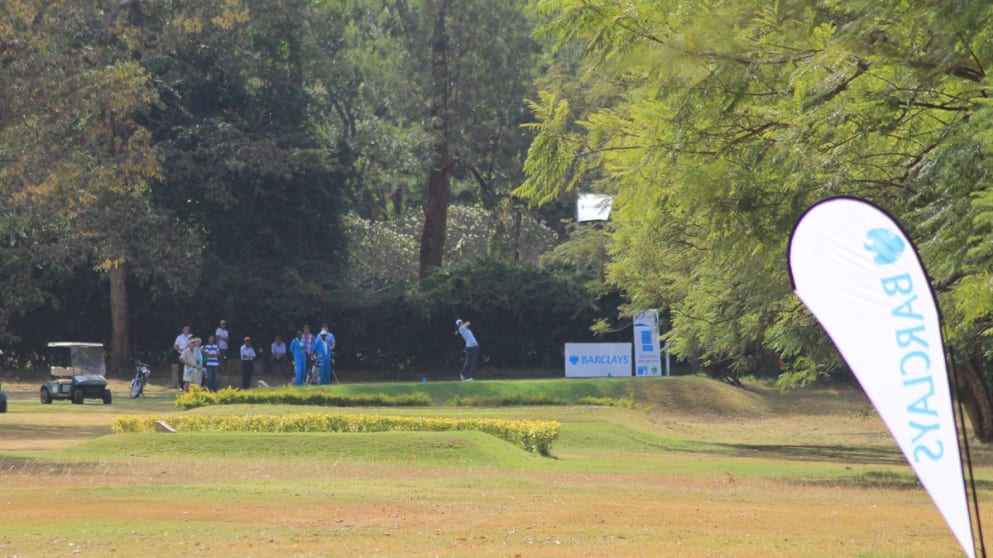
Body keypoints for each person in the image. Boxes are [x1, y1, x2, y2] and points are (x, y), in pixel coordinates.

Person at [173, 325, 192, 391]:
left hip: (189, 355)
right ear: (183, 330)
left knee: (189, 370)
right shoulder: (179, 337)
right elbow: (175, 346)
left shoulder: (191, 336)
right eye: (185, 329)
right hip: (181, 354)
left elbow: (192, 345)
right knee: (181, 371)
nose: (186, 331)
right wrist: (181, 350)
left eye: (188, 330)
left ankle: (188, 386)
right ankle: (181, 385)